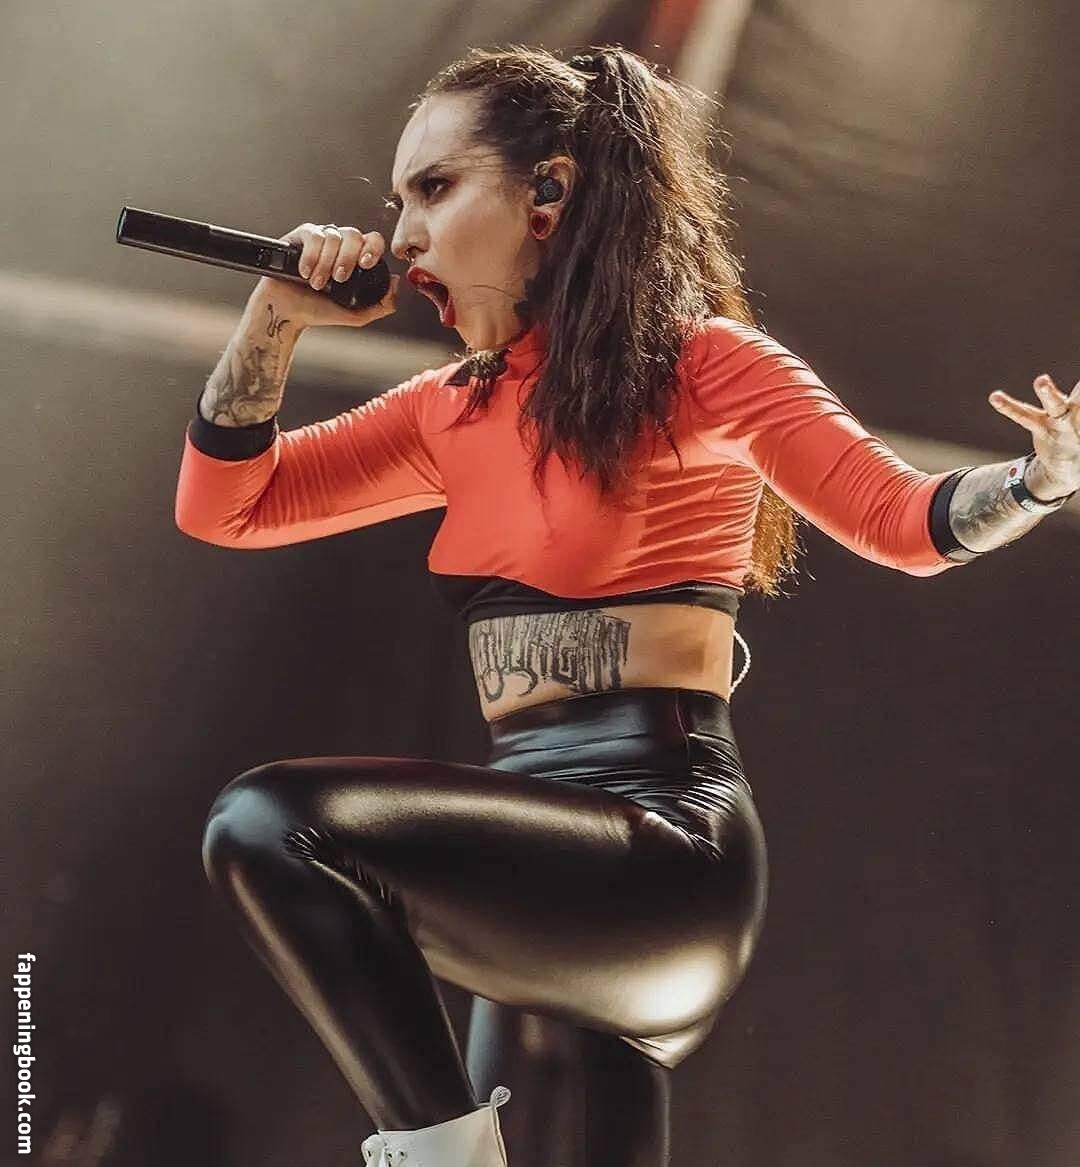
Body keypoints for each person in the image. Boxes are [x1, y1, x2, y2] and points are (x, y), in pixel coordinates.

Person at [176, 44, 1079, 1167]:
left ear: (549, 194)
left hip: (663, 855)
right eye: (398, 201)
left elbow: (906, 521)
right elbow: (228, 507)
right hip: (540, 872)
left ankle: (435, 1155)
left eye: (436, 188)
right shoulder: (446, 412)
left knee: (270, 824)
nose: (402, 237)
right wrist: (274, 317)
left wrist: (1039, 481)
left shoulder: (704, 367)